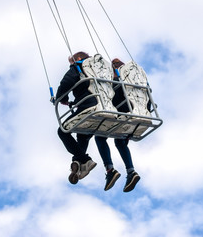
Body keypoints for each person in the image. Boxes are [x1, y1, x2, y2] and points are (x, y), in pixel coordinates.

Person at [95, 58, 140, 192]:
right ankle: (131, 171)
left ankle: (110, 170)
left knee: (99, 137)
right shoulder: (136, 80)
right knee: (120, 142)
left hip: (121, 112)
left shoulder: (117, 82)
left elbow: (112, 98)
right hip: (136, 113)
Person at [56, 51, 97, 185]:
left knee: (63, 131)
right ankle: (79, 162)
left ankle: (84, 160)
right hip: (105, 107)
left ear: (78, 58)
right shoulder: (100, 69)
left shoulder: (79, 65)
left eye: (72, 62)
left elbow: (66, 82)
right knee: (82, 134)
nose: (72, 64)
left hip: (88, 105)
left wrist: (62, 98)